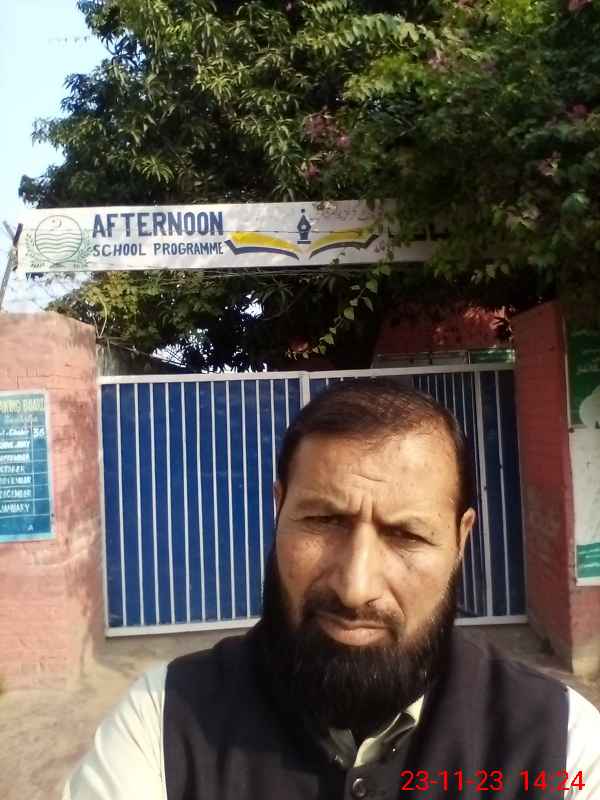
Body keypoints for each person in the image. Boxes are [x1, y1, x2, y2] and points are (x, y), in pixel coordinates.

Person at [63, 379, 600, 800]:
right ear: (279, 509)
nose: (355, 588)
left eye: (406, 535)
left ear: (461, 540)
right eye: (323, 521)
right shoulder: (162, 724)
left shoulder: (561, 744)